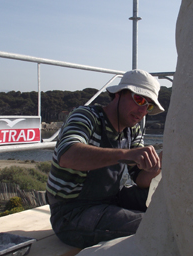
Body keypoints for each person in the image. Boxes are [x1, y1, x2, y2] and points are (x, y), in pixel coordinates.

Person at [46, 69, 164, 248]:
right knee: (156, 226)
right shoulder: (86, 116)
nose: (142, 110)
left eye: (148, 106)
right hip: (71, 213)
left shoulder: (132, 129)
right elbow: (67, 155)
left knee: (166, 208)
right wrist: (127, 154)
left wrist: (156, 168)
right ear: (118, 94)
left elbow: (140, 179)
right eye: (139, 100)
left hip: (111, 200)